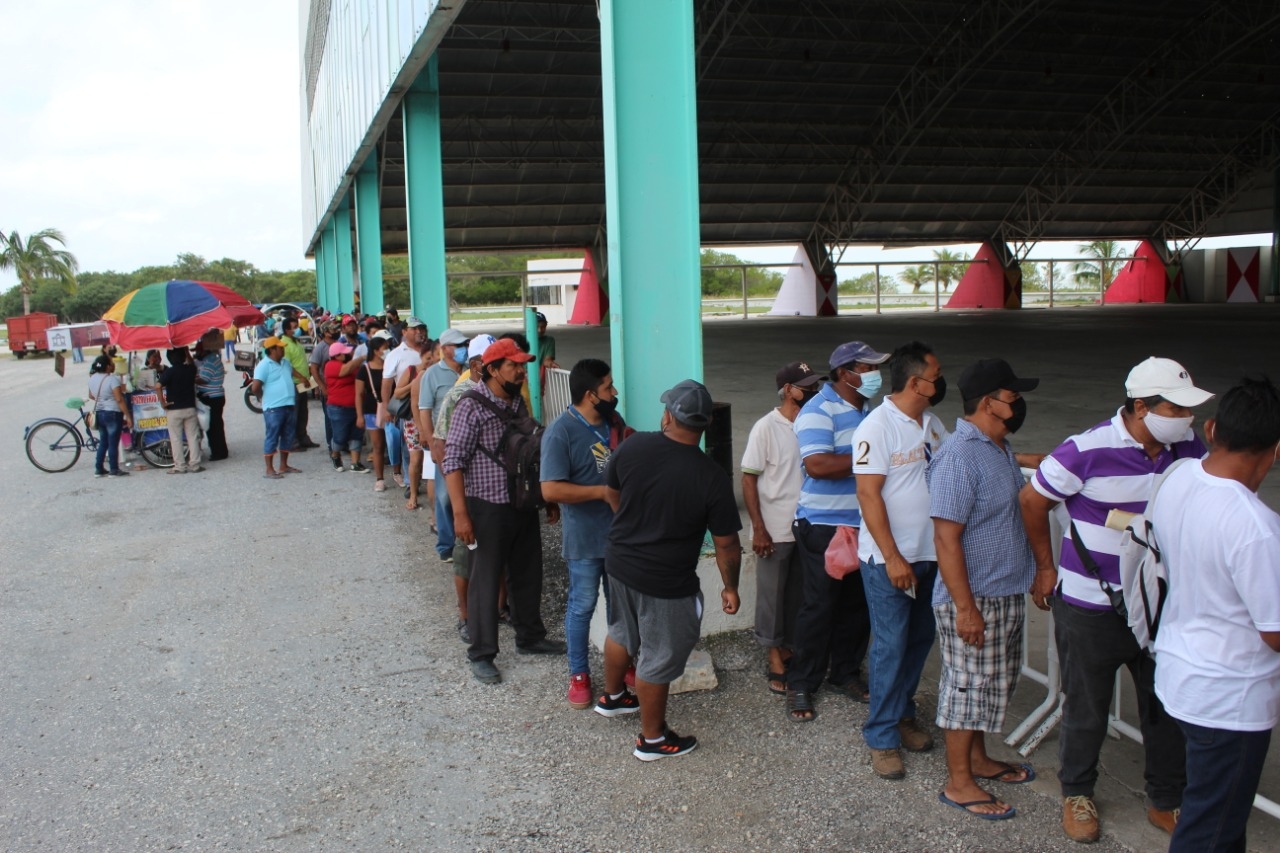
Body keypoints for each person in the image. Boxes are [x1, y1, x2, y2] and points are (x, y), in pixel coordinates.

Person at [1020, 356, 1213, 842]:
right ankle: (1077, 793)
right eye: (1176, 408)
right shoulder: (1084, 450)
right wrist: (1045, 568)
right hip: (1090, 606)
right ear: (1142, 407)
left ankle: (1166, 797)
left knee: (1163, 705)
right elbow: (1032, 501)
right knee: (1087, 705)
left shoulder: (1188, 446)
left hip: (1160, 603)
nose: (1186, 419)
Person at [1151, 377, 1280, 853]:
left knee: (1218, 818)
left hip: (1179, 674)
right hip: (1230, 699)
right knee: (1210, 831)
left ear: (1210, 428)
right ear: (1276, 449)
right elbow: (1274, 633)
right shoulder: (1255, 527)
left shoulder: (1180, 477)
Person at [597, 379, 742, 761]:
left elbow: (612, 492)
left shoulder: (633, 445)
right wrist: (731, 587)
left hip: (619, 563)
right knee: (657, 657)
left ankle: (612, 698)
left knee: (620, 631)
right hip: (666, 581)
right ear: (705, 424)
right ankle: (653, 740)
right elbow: (727, 543)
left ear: (668, 416)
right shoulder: (710, 476)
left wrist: (628, 527)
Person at [929, 358, 1042, 820]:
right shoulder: (958, 456)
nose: (1018, 402)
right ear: (989, 402)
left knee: (991, 686)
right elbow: (945, 537)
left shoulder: (997, 447)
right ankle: (958, 782)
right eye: (1011, 395)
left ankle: (977, 760)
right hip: (975, 598)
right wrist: (965, 607)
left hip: (1002, 590)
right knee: (967, 686)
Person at [851, 341, 948, 779]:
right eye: (935, 375)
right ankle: (882, 735)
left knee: (918, 640)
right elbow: (868, 495)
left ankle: (902, 712)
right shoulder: (876, 427)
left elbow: (952, 466)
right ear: (915, 382)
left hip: (930, 555)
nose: (940, 382)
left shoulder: (932, 423)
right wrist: (892, 557)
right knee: (890, 644)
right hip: (891, 559)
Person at [444, 337, 565, 685]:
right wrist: (460, 514)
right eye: (513, 366)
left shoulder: (516, 403)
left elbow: (530, 452)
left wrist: (547, 496)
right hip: (486, 507)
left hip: (521, 502)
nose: (521, 371)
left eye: (522, 365)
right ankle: (481, 653)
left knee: (528, 572)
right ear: (492, 369)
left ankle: (530, 636)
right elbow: (453, 461)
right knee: (485, 578)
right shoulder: (471, 405)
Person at [784, 340, 890, 723]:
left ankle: (844, 672)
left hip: (865, 525)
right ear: (845, 373)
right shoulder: (818, 409)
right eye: (867, 368)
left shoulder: (871, 411)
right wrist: (873, 460)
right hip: (825, 527)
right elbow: (818, 465)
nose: (875, 375)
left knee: (857, 605)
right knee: (820, 606)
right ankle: (802, 681)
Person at [540, 358, 634, 709]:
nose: (615, 393)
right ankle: (579, 675)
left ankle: (621, 665)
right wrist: (600, 493)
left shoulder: (614, 422)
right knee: (582, 605)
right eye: (609, 387)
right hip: (584, 539)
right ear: (591, 395)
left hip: (620, 537)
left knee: (621, 607)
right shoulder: (560, 431)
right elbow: (550, 490)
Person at [741, 361, 820, 696]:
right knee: (772, 597)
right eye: (806, 386)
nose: (813, 391)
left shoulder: (812, 425)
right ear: (788, 390)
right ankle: (774, 655)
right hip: (774, 528)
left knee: (798, 595)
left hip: (806, 526)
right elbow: (749, 478)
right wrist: (758, 528)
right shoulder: (766, 427)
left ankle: (788, 646)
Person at [434, 334, 498, 644]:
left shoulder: (503, 393)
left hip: (498, 493)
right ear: (477, 364)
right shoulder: (459, 396)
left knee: (499, 556)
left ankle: (499, 608)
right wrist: (458, 502)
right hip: (470, 492)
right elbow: (442, 448)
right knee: (465, 557)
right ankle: (466, 616)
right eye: (493, 361)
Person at [422, 328, 469, 562]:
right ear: (445, 348)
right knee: (443, 496)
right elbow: (425, 409)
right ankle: (446, 545)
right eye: (458, 345)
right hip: (444, 443)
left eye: (464, 345)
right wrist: (431, 442)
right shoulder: (432, 374)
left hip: (467, 442)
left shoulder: (471, 371)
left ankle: (465, 540)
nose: (463, 349)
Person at [380, 316, 428, 489]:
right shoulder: (396, 355)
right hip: (407, 407)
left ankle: (426, 478)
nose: (419, 332)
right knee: (409, 447)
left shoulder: (430, 350)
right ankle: (410, 482)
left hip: (429, 404)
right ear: (404, 331)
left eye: (421, 328)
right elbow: (387, 383)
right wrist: (387, 408)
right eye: (414, 329)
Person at [251, 336, 307, 479]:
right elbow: (255, 386)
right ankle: (269, 469)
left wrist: (302, 378)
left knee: (287, 436)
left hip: (288, 404)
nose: (283, 349)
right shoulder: (264, 365)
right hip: (274, 408)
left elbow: (292, 370)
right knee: (272, 436)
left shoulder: (285, 362)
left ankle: (284, 465)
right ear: (272, 350)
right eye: (280, 347)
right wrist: (261, 398)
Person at [401, 343, 438, 510]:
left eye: (434, 357)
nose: (430, 361)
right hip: (415, 424)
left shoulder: (438, 374)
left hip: (433, 423)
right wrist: (422, 431)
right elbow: (416, 406)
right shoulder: (419, 374)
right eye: (427, 358)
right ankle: (414, 494)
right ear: (421, 357)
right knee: (416, 460)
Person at [323, 341, 368, 472]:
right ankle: (335, 455)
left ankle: (355, 462)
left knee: (356, 434)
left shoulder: (351, 365)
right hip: (338, 407)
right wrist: (361, 357)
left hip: (355, 406)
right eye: (345, 352)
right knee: (340, 435)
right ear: (338, 355)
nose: (349, 353)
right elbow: (345, 371)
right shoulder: (330, 365)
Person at [157, 346, 202, 474]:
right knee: (193, 437)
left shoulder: (170, 372)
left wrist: (163, 403)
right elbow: (192, 362)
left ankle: (180, 466)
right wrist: (186, 351)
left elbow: (157, 386)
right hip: (190, 408)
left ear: (169, 359)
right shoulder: (190, 369)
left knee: (176, 438)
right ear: (184, 356)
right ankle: (195, 465)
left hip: (174, 409)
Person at [87, 354, 133, 478]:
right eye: (111, 363)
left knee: (104, 442)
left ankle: (99, 468)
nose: (113, 365)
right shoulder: (112, 379)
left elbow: (91, 396)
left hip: (99, 413)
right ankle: (114, 469)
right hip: (112, 413)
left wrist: (102, 398)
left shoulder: (92, 378)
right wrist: (128, 415)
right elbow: (119, 399)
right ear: (107, 367)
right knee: (113, 442)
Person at [355, 334, 391, 491]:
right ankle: (380, 478)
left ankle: (397, 472)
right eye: (385, 348)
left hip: (391, 409)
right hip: (372, 410)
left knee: (393, 443)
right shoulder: (365, 369)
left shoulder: (390, 365)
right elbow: (359, 394)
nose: (387, 350)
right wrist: (359, 415)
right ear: (377, 351)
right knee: (378, 445)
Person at [279, 317, 318, 450]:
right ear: (286, 330)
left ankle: (303, 437)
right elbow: (287, 366)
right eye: (294, 327)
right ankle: (292, 442)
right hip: (294, 383)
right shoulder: (284, 344)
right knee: (293, 414)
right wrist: (301, 377)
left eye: (297, 326)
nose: (297, 329)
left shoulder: (295, 342)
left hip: (303, 383)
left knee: (303, 413)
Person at [194, 328, 228, 461]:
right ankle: (220, 450)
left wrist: (190, 378)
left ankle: (218, 453)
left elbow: (204, 379)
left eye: (197, 351)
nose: (196, 354)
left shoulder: (209, 361)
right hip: (216, 396)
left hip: (212, 397)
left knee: (213, 427)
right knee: (216, 425)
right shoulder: (212, 359)